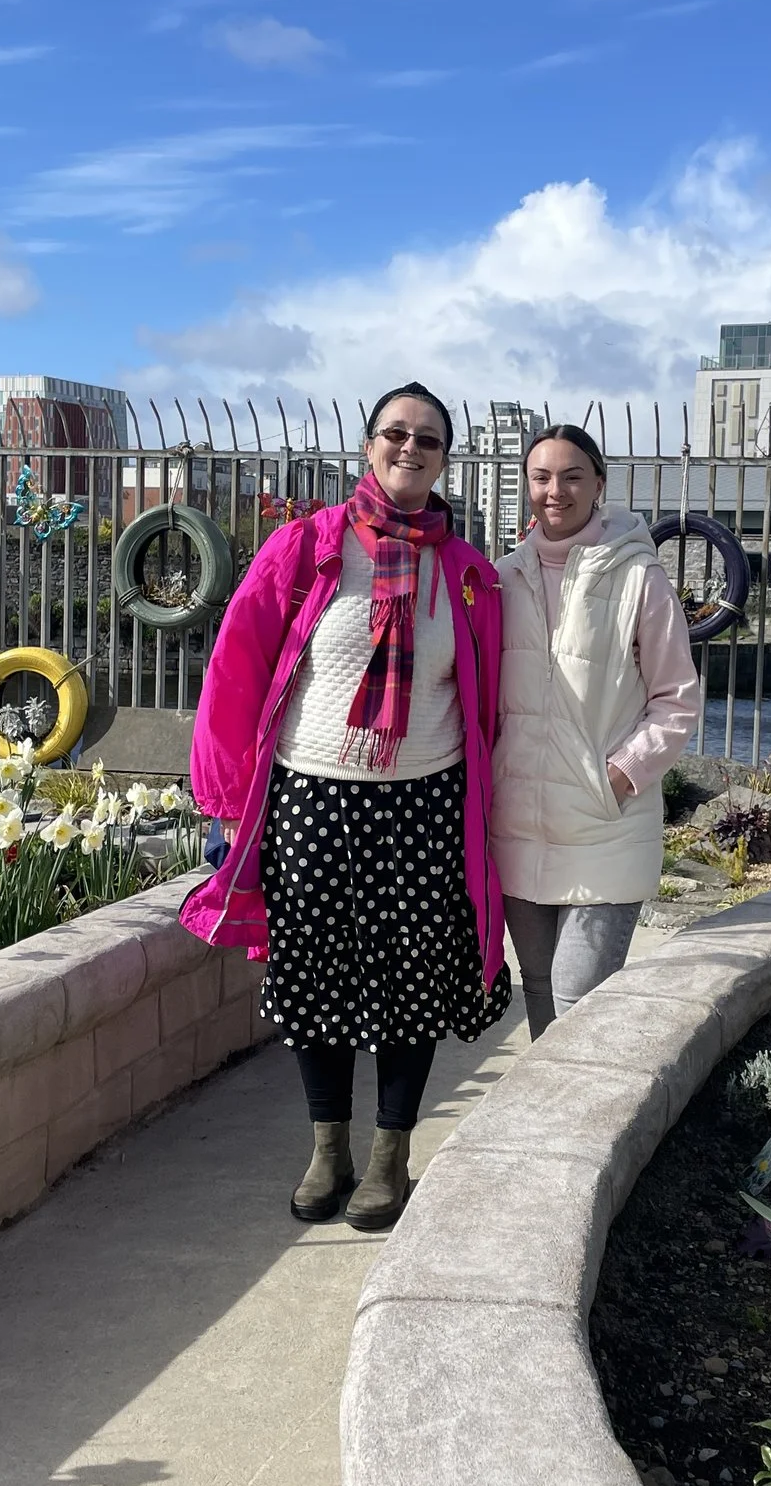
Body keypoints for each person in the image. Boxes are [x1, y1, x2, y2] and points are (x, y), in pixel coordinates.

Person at [182, 383, 510, 1230]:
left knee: (411, 984)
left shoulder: (467, 575)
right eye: (396, 434)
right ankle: (328, 1148)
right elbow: (235, 666)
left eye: (429, 440)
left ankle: (389, 1157)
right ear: (369, 446)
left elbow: (490, 703)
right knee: (313, 973)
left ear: (445, 458)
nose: (411, 449)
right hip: (311, 795)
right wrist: (222, 797)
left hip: (424, 806)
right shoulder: (305, 548)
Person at [492, 424, 698, 1037]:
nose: (556, 490)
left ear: (599, 486)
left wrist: (619, 774)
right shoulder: (503, 578)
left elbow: (677, 700)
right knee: (538, 997)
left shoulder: (640, 577)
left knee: (581, 1003)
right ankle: (541, 1132)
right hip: (521, 825)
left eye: (572, 475)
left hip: (605, 828)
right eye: (542, 476)